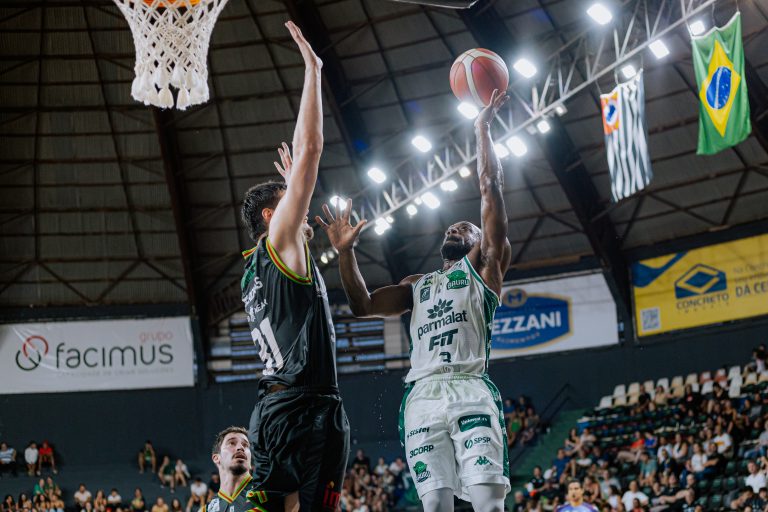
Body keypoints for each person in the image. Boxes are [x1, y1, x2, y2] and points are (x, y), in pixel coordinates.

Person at [321, 90, 512, 512]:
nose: (454, 229)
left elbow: (490, 188)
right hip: (422, 394)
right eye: (450, 228)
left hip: (468, 387)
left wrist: (482, 128)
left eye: (465, 228)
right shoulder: (417, 285)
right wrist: (346, 253)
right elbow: (362, 305)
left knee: (487, 502)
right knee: (436, 505)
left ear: (481, 241)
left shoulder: (484, 270)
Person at [238, 21, 348, 512]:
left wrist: (290, 193)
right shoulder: (279, 241)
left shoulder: (254, 270)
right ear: (271, 216)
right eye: (290, 205)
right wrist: (313, 69)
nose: (302, 210)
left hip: (283, 407)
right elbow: (310, 150)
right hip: (302, 407)